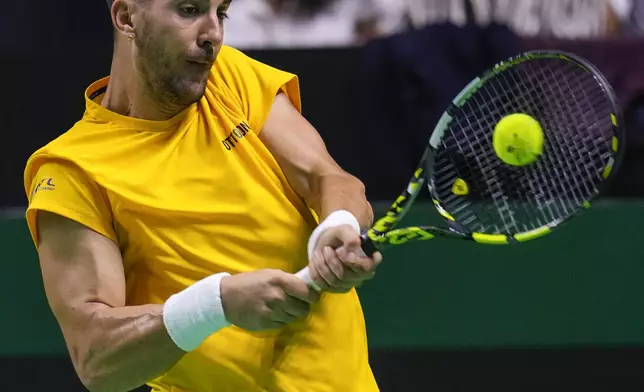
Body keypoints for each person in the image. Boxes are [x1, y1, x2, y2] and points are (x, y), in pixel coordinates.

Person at [23, 0, 383, 391]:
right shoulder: (72, 170)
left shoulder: (229, 77)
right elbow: (96, 356)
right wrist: (216, 304)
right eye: (189, 10)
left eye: (221, 12)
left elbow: (327, 177)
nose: (213, 33)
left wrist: (338, 225)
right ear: (126, 17)